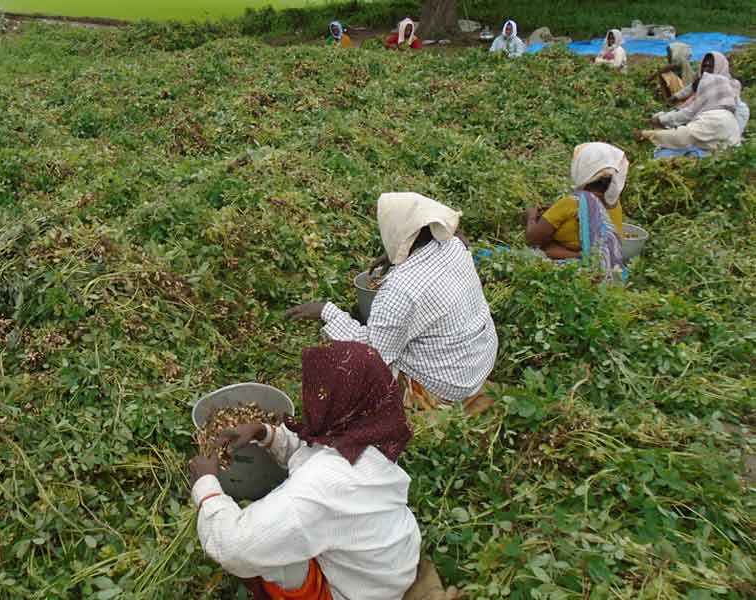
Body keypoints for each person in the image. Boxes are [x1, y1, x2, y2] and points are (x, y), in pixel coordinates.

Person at [189, 341, 421, 600]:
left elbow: (234, 547)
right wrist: (265, 432)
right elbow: (315, 451)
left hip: (358, 591)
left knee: (265, 550)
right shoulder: (371, 433)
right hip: (392, 563)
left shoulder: (320, 487)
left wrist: (207, 485)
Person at [286, 193, 498, 413]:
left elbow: (374, 354)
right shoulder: (454, 247)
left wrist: (327, 311)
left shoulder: (400, 290)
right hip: (479, 362)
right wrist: (397, 254)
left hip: (447, 386)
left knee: (349, 369)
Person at [525, 143, 627, 278]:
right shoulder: (614, 204)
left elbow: (533, 239)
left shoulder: (570, 203)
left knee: (538, 251)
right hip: (610, 267)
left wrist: (531, 217)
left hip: (578, 270)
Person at [637, 73, 743, 158]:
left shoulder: (715, 117)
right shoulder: (724, 112)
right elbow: (686, 115)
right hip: (725, 154)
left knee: (664, 154)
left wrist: (646, 134)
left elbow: (682, 137)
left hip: (719, 158)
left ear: (706, 92)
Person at [667, 51, 749, 134]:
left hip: (719, 123)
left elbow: (729, 104)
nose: (705, 69)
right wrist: (676, 97)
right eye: (704, 66)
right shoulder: (700, 81)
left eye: (710, 66)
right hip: (698, 114)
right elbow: (688, 89)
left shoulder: (732, 83)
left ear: (719, 67)